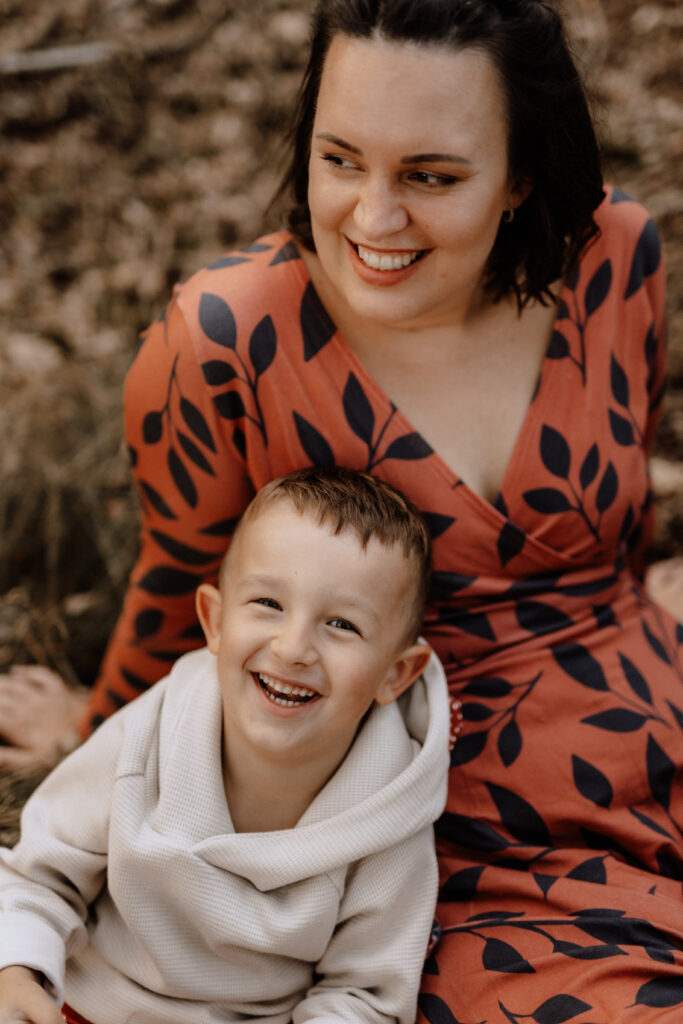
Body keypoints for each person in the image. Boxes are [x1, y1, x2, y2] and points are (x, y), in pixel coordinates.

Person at [0, 0, 679, 1018]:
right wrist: (100, 734)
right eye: (340, 159)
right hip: (451, 816)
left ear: (520, 176)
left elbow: (620, 541)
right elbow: (183, 581)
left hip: (656, 722)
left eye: (430, 176)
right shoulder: (226, 342)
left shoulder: (612, 256)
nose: (371, 217)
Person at [0, 467, 450, 1024]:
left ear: (396, 675)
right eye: (267, 602)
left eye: (341, 624)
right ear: (214, 621)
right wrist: (18, 972)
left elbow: (363, 994)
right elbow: (40, 875)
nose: (293, 648)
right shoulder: (150, 735)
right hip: (88, 999)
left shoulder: (388, 817)